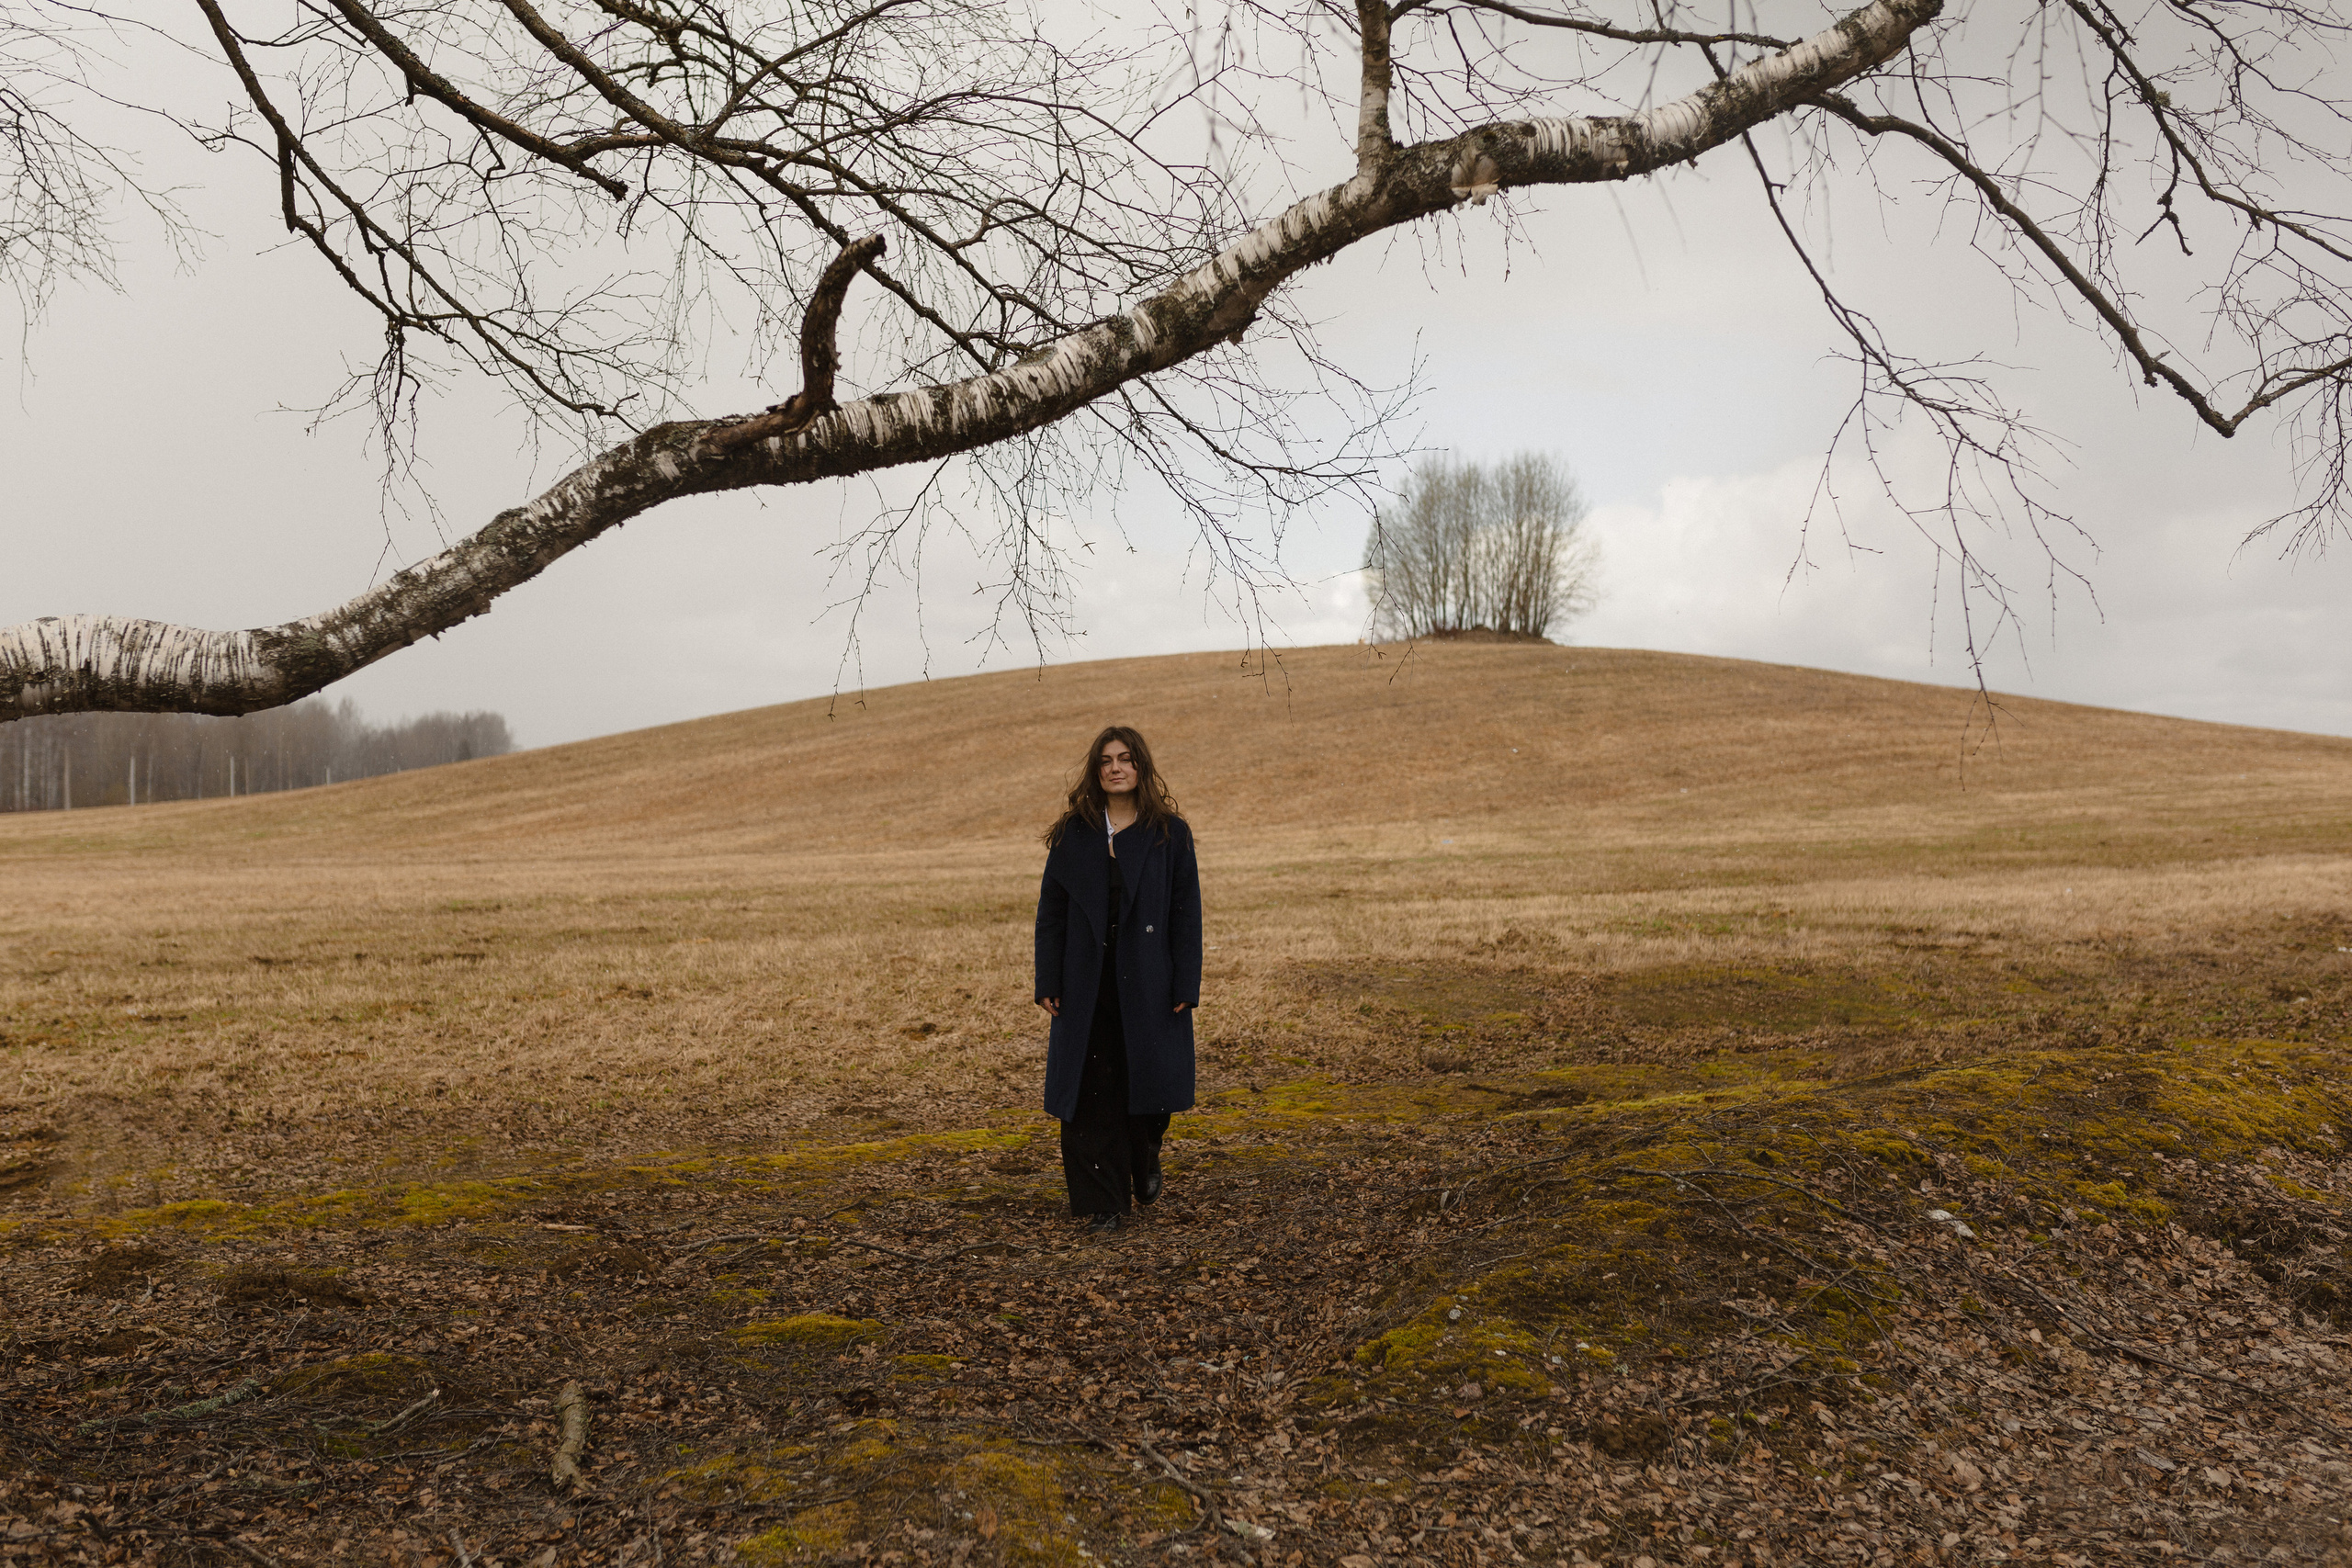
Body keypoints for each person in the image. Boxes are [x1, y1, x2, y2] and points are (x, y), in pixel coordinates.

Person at [1034, 725, 1202, 1232]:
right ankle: (1100, 1203)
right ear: (1095, 770)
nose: (1115, 768)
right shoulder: (1073, 834)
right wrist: (1048, 978)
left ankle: (1145, 1149)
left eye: (1125, 759)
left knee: (1146, 1084)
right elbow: (1052, 913)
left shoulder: (1169, 833)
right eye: (1106, 760)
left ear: (1140, 767)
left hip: (1149, 980)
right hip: (1086, 983)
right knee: (1089, 1090)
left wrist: (1184, 984)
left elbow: (1184, 913)